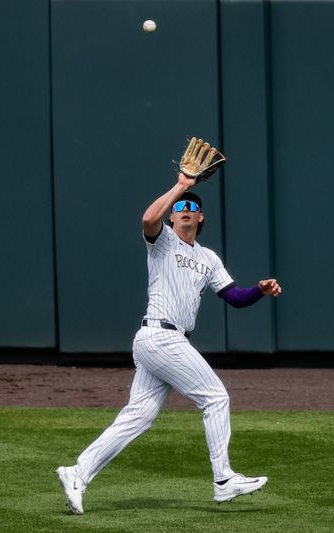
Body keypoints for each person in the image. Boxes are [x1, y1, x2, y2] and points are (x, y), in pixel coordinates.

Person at [56, 170, 282, 514]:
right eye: (182, 206)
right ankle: (223, 480)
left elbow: (234, 296)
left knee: (138, 417)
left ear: (201, 216)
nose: (187, 208)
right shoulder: (162, 240)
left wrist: (260, 292)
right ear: (174, 214)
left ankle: (78, 472)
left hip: (162, 342)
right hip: (160, 335)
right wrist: (181, 186)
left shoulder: (208, 258)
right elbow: (148, 218)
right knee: (216, 397)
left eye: (193, 206)